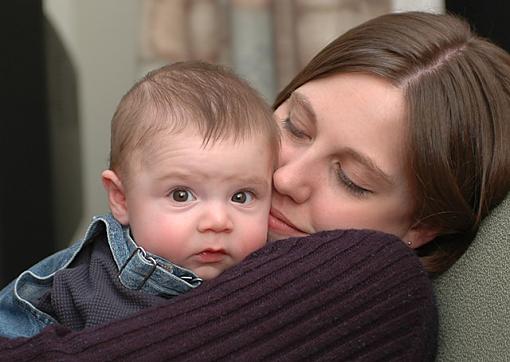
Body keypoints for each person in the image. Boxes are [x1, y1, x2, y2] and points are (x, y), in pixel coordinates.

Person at [0, 11, 509, 361]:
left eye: (351, 179)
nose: (285, 178)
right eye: (294, 127)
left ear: (421, 227)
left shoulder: (373, 277)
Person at [0, 61, 280, 337]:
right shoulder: (83, 288)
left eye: (241, 197)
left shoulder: (276, 279)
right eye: (181, 195)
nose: (218, 221)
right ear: (121, 199)